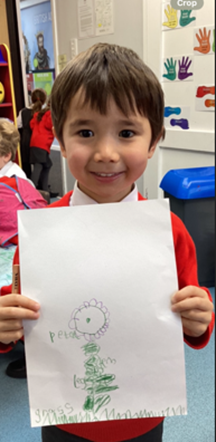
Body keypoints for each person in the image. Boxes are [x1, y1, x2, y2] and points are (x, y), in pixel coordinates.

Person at [0, 43, 214, 442]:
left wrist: (200, 317)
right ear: (59, 139)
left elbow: (191, 301)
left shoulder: (170, 231)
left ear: (153, 142)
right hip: (65, 413)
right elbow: (18, 298)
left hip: (144, 413)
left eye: (127, 132)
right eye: (85, 132)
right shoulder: (41, 231)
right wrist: (4, 321)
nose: (106, 152)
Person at [29, 98, 58, 197]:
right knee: (39, 167)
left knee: (47, 165)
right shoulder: (50, 114)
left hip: (35, 143)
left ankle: (45, 190)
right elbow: (51, 126)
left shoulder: (39, 113)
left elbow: (32, 125)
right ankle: (32, 191)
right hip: (42, 144)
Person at [17, 88, 47, 179]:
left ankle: (29, 184)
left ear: (31, 99)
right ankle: (40, 185)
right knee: (40, 163)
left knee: (26, 164)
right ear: (44, 100)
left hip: (25, 139)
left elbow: (18, 125)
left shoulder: (23, 111)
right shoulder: (43, 113)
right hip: (38, 140)